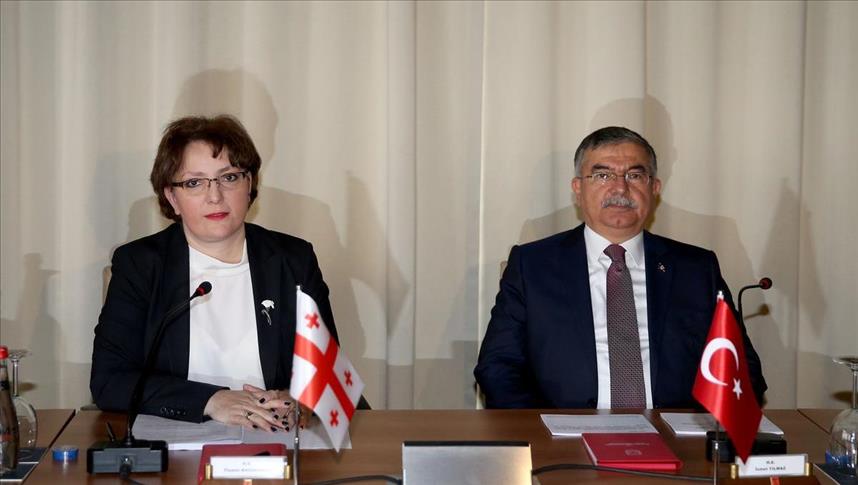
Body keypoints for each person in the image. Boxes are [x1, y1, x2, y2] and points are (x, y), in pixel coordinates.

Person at [474, 126, 767, 409]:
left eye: (635, 175)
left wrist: (699, 430)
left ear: (654, 188)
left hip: (675, 433)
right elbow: (498, 366)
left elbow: (741, 369)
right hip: (564, 433)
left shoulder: (696, 269)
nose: (620, 187)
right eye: (602, 175)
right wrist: (540, 429)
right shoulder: (532, 266)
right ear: (578, 188)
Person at [90, 115, 349, 431]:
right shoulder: (140, 265)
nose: (215, 196)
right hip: (176, 439)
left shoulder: (292, 260)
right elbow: (109, 381)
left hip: (272, 434)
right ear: (172, 197)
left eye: (229, 177)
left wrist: (294, 400)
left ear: (249, 185)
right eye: (194, 183)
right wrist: (211, 400)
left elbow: (324, 372)